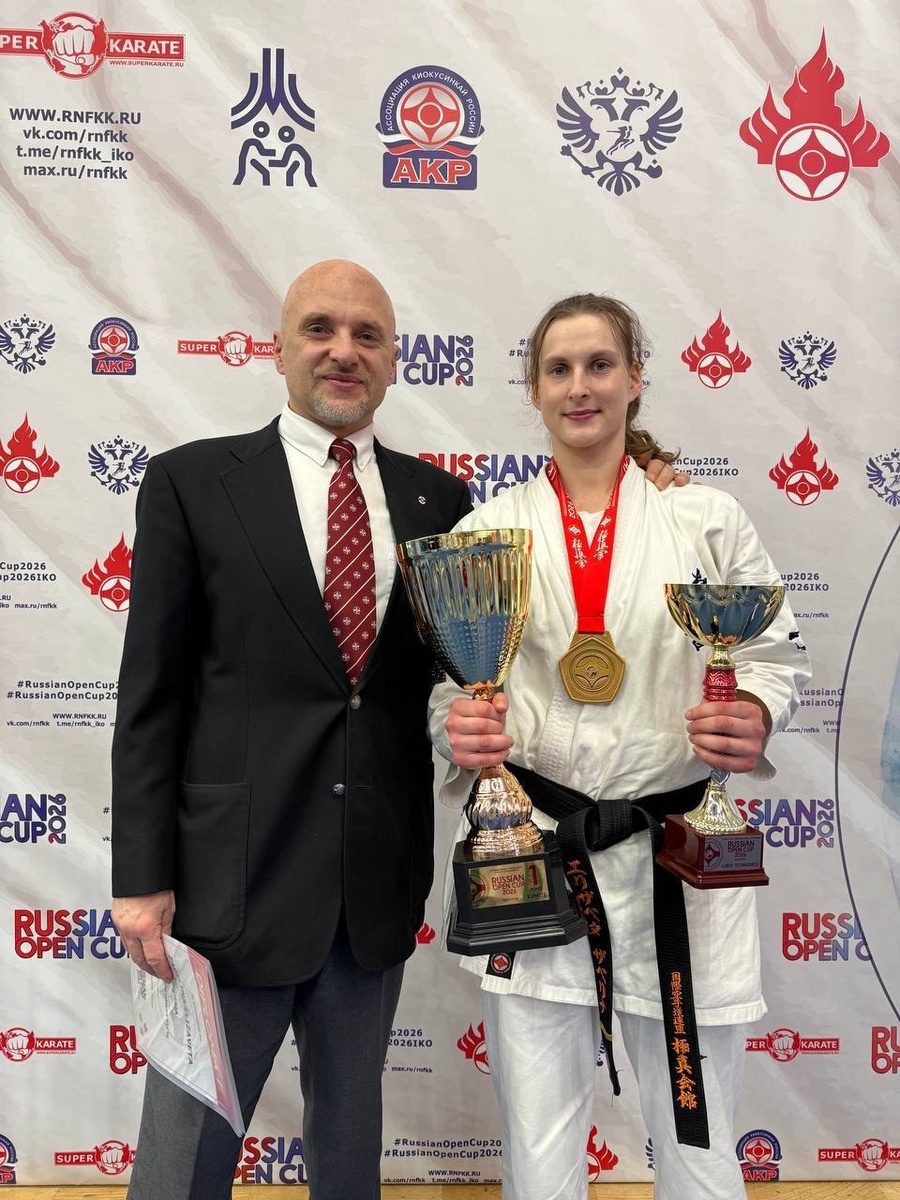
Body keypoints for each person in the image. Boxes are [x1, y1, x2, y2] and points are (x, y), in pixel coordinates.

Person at [110, 261, 685, 1200]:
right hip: (225, 884)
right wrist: (141, 878)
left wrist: (649, 475)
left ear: (392, 359)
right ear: (279, 347)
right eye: (321, 329)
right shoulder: (192, 482)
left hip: (370, 888)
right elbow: (151, 695)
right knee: (184, 1162)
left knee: (349, 1157)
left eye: (368, 335)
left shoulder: (439, 505)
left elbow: (463, 672)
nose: (344, 351)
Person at [429, 293, 811, 1200]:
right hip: (535, 858)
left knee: (700, 1140)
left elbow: (770, 655)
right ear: (534, 390)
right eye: (559, 369)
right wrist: (457, 726)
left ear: (636, 379)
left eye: (600, 364)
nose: (580, 386)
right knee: (539, 1145)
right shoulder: (489, 531)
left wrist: (755, 712)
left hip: (676, 854)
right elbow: (452, 683)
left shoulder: (705, 518)